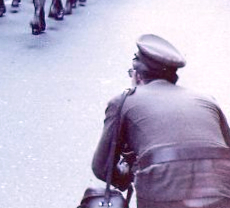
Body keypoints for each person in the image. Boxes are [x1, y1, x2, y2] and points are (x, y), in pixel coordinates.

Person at [92, 34, 230, 208]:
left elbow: (102, 167)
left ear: (137, 75)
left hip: (163, 192)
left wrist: (125, 177)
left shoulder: (123, 101)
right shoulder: (207, 100)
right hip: (221, 190)